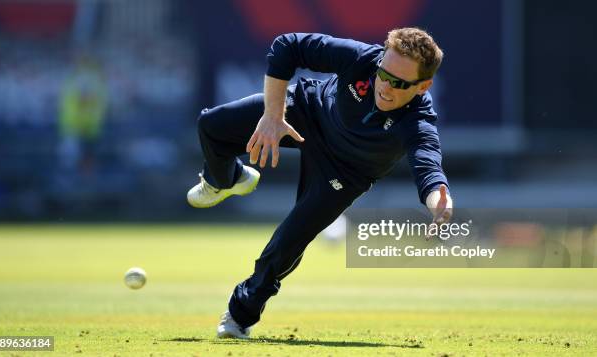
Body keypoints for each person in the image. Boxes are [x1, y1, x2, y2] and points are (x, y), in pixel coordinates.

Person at [187, 28, 454, 339]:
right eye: (384, 73)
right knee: (211, 126)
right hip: (307, 111)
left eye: (399, 83)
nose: (385, 86)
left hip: (345, 171)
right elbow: (287, 46)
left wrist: (439, 202)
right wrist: (273, 115)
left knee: (288, 241)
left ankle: (238, 316)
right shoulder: (362, 58)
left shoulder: (418, 121)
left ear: (423, 86)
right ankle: (227, 178)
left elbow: (428, 167)